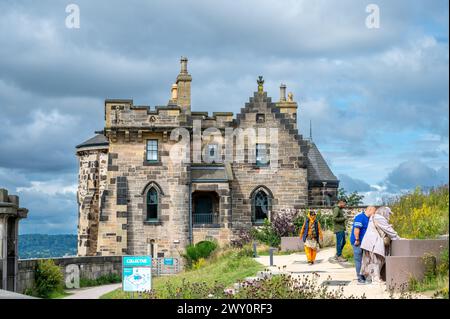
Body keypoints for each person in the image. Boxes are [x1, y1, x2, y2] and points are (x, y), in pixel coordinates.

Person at [360, 206, 401, 283]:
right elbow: (388, 230)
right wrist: (398, 238)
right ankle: (375, 279)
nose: (389, 215)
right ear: (384, 212)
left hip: (369, 242)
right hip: (373, 243)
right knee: (376, 261)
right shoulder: (379, 217)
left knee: (371, 260)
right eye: (388, 213)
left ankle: (372, 278)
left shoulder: (375, 217)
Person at [350, 206, 377, 284]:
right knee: (358, 259)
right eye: (374, 212)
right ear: (370, 210)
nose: (374, 214)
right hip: (358, 242)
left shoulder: (369, 219)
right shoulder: (360, 217)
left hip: (365, 242)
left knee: (365, 260)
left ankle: (364, 276)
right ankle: (360, 277)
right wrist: (357, 239)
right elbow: (356, 229)